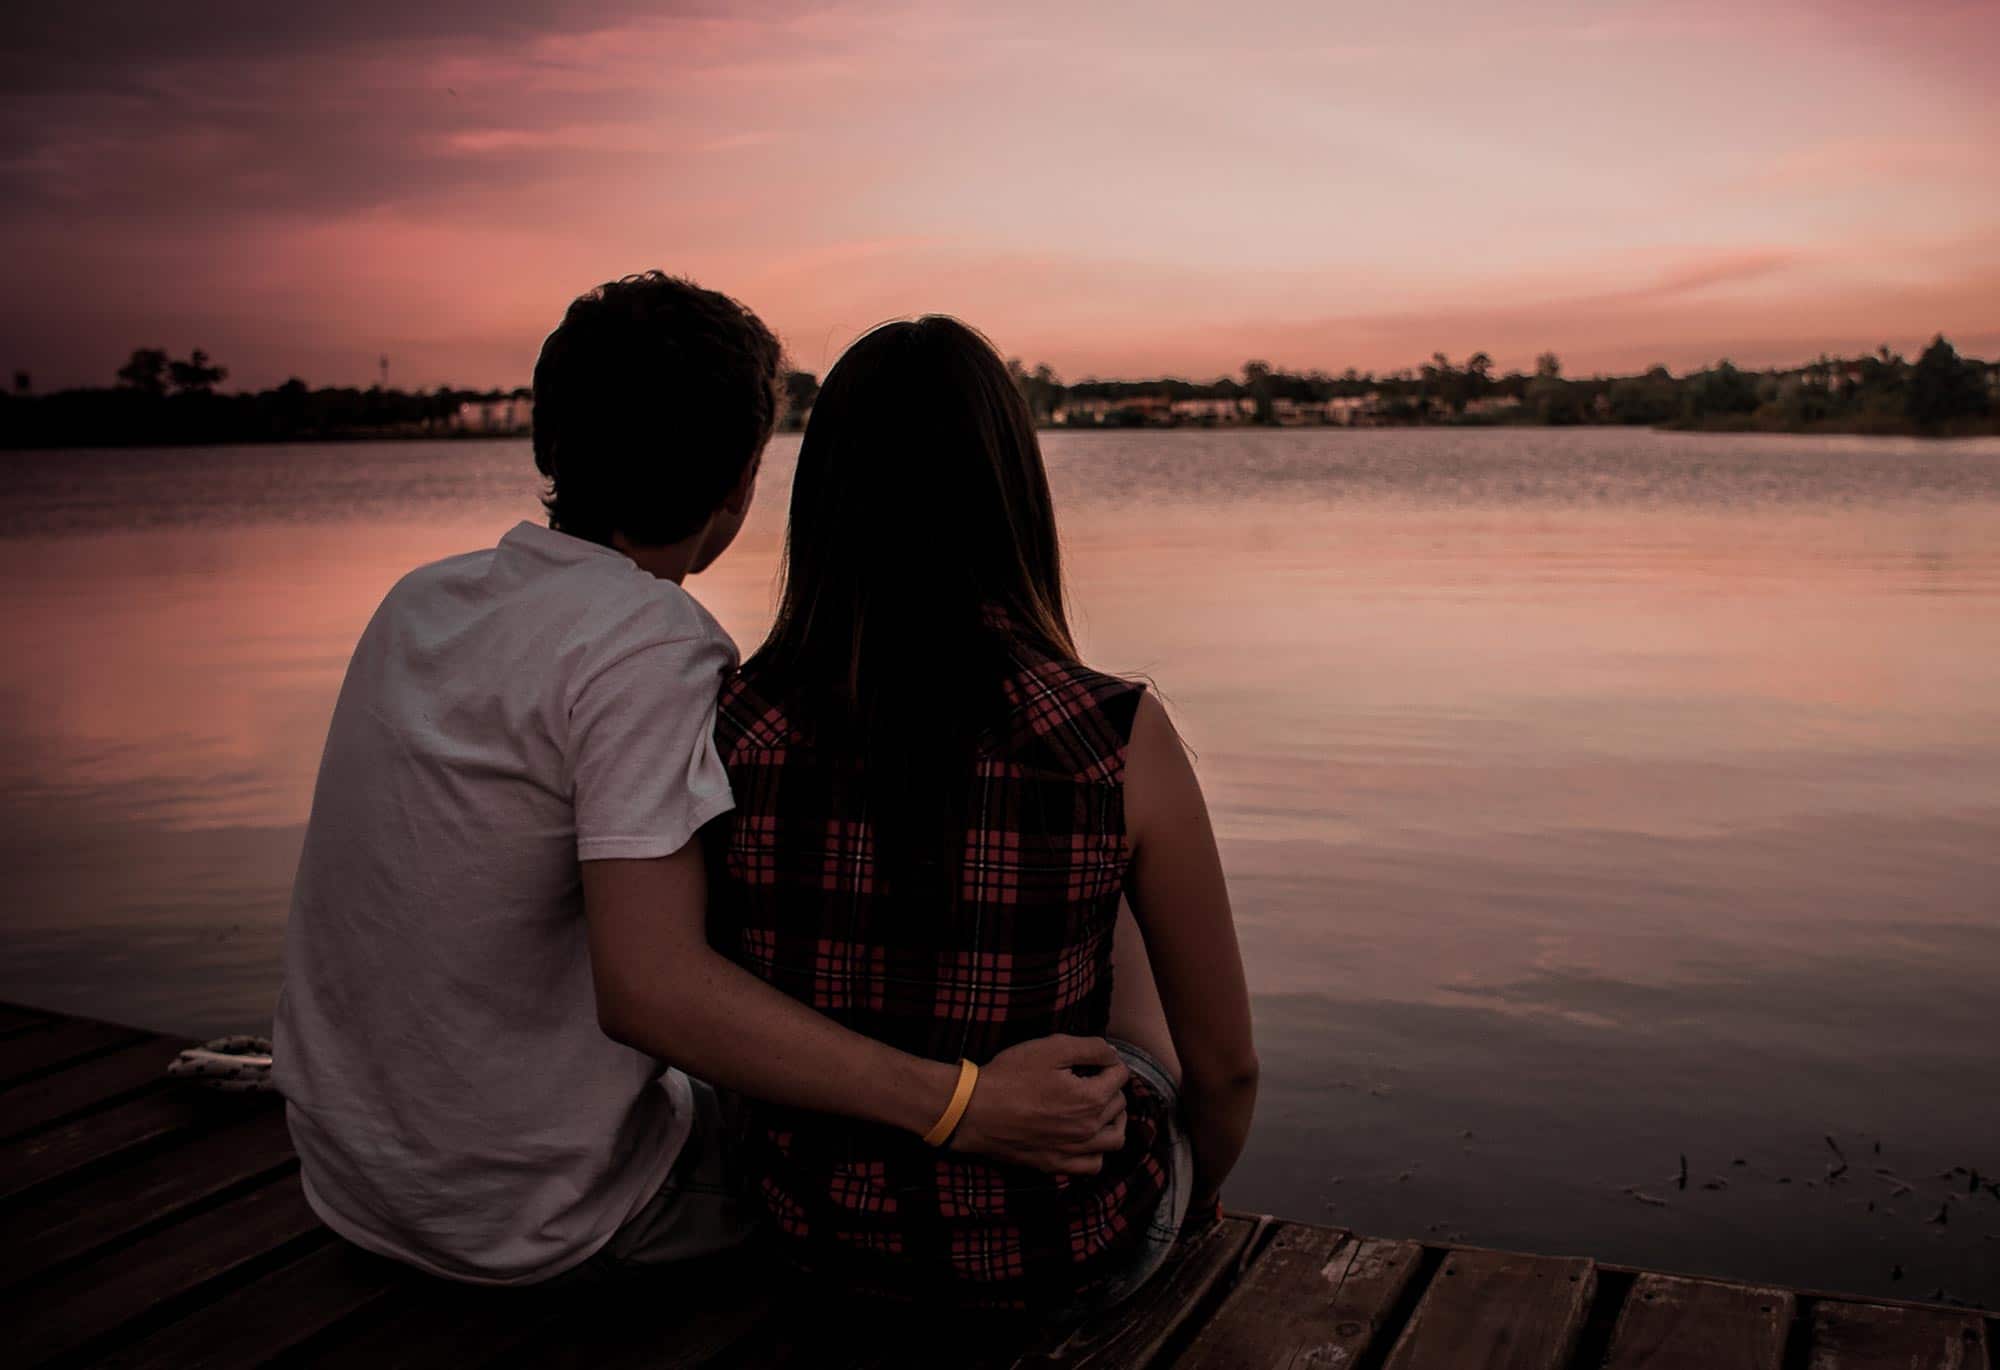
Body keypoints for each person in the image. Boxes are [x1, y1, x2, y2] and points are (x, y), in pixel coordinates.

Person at [272, 275, 1134, 1287]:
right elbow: (651, 991)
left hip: (349, 1174)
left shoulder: (418, 603)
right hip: (535, 1215)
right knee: (841, 1156)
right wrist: (961, 1101)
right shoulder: (651, 643)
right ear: (739, 486)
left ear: (548, 447)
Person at [711, 315, 1259, 1312]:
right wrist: (1194, 1192)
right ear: (1012, 491)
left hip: (811, 1238)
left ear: (823, 496)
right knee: (1124, 895)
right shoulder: (1113, 732)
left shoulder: (731, 723)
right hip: (1058, 1249)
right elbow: (1225, 1073)